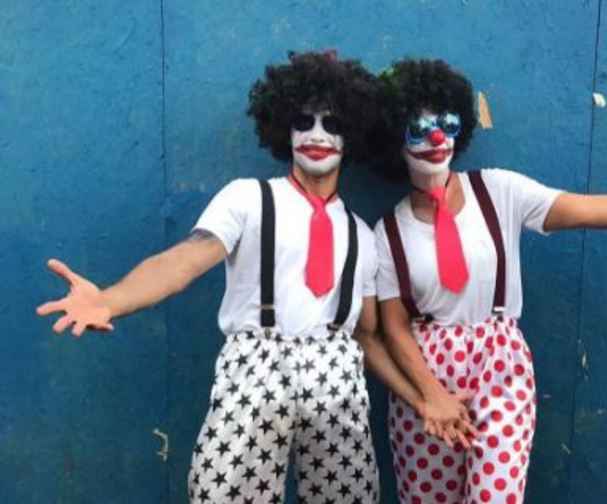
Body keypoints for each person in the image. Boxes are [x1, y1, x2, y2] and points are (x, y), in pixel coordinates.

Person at [36, 51, 432, 504]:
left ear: (352, 135)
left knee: (349, 496)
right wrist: (109, 301)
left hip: (337, 375)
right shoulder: (247, 199)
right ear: (284, 128)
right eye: (303, 121)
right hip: (254, 368)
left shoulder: (362, 234)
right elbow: (183, 261)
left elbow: (367, 335)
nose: (317, 135)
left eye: (333, 124)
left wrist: (421, 396)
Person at [370, 58, 607, 504]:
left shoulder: (498, 191)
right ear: (393, 138)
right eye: (419, 129)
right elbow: (393, 327)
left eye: (447, 123)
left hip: (499, 365)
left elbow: (587, 209)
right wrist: (430, 395)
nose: (437, 139)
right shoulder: (387, 232)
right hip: (427, 375)